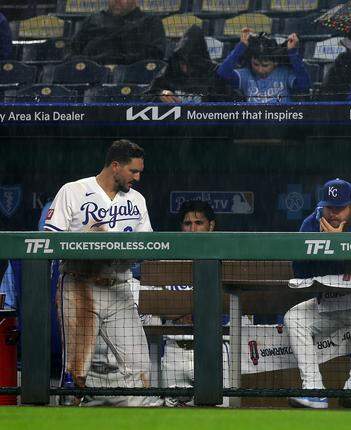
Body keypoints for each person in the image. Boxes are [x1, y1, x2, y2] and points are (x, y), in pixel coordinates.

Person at [44, 139, 153, 405]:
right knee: (75, 373)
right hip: (80, 287)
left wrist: (119, 249)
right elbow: (49, 242)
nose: (137, 178)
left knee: (139, 367)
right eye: (133, 171)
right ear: (115, 166)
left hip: (119, 287)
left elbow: (148, 246)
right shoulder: (73, 191)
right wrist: (87, 241)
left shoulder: (136, 200)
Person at [285, 179, 351, 409]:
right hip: (327, 304)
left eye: (339, 208)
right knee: (294, 318)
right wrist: (321, 245)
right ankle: (314, 391)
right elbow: (299, 270)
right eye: (329, 207)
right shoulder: (312, 222)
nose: (333, 214)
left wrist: (339, 243)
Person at [162, 199, 219, 407]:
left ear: (211, 226)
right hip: (174, 350)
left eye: (198, 223)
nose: (192, 228)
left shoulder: (225, 258)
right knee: (171, 416)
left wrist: (186, 310)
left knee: (222, 417)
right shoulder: (166, 261)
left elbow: (235, 310)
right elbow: (154, 306)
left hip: (215, 350)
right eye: (187, 224)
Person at [216, 28, 311, 103]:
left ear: (275, 62)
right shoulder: (246, 74)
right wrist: (242, 46)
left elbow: (304, 85)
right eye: (256, 64)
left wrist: (292, 53)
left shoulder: (285, 73)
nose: (260, 70)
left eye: (265, 65)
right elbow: (222, 73)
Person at [148, 25, 232, 103]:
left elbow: (225, 107)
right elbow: (149, 94)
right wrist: (160, 93)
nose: (184, 67)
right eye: (182, 62)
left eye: (189, 63)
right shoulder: (170, 69)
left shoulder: (213, 72)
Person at [68, 0, 166, 65]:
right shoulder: (93, 20)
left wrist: (116, 61)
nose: (117, 1)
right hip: (91, 74)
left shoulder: (150, 21)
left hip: (131, 76)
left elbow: (156, 54)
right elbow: (74, 51)